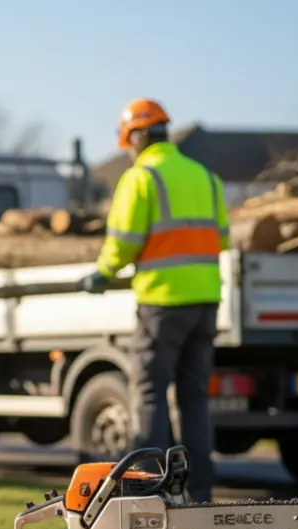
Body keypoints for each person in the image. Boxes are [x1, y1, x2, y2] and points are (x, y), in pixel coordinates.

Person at [80, 98, 229, 502]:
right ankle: (199, 491)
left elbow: (124, 243)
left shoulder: (141, 178)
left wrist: (102, 272)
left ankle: (149, 491)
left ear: (138, 136)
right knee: (193, 396)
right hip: (205, 300)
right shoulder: (205, 177)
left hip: (162, 302)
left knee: (148, 391)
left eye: (128, 140)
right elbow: (224, 238)